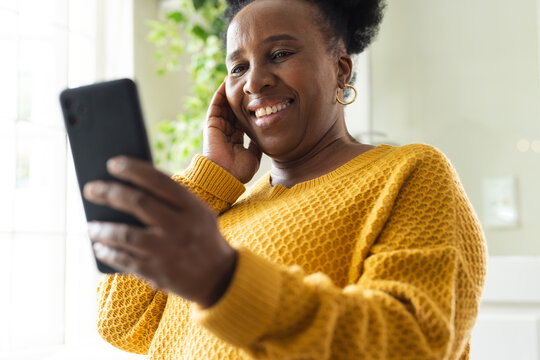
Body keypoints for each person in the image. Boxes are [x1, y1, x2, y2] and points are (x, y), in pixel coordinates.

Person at [83, 0, 487, 358]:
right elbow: (122, 321)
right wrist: (212, 178)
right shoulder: (224, 208)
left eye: (279, 53)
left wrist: (225, 280)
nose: (255, 80)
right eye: (238, 67)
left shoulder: (408, 173)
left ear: (340, 68)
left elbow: (413, 343)